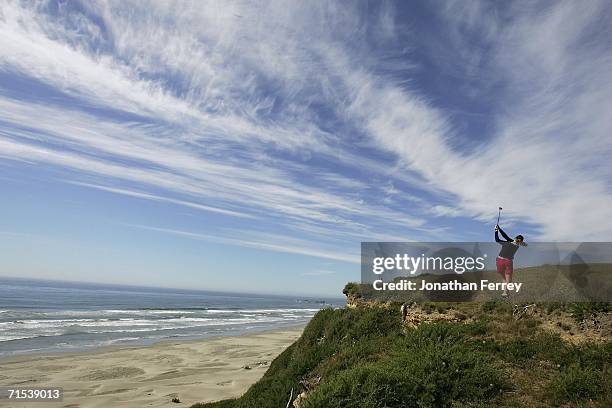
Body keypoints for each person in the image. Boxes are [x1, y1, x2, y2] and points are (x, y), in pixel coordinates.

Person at [495, 224, 526, 297]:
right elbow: (503, 237)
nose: (516, 241)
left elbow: (502, 237)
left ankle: (505, 292)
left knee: (506, 277)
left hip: (501, 260)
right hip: (506, 261)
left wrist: (497, 230)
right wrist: (498, 229)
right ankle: (506, 292)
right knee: (507, 277)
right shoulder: (515, 244)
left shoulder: (510, 243)